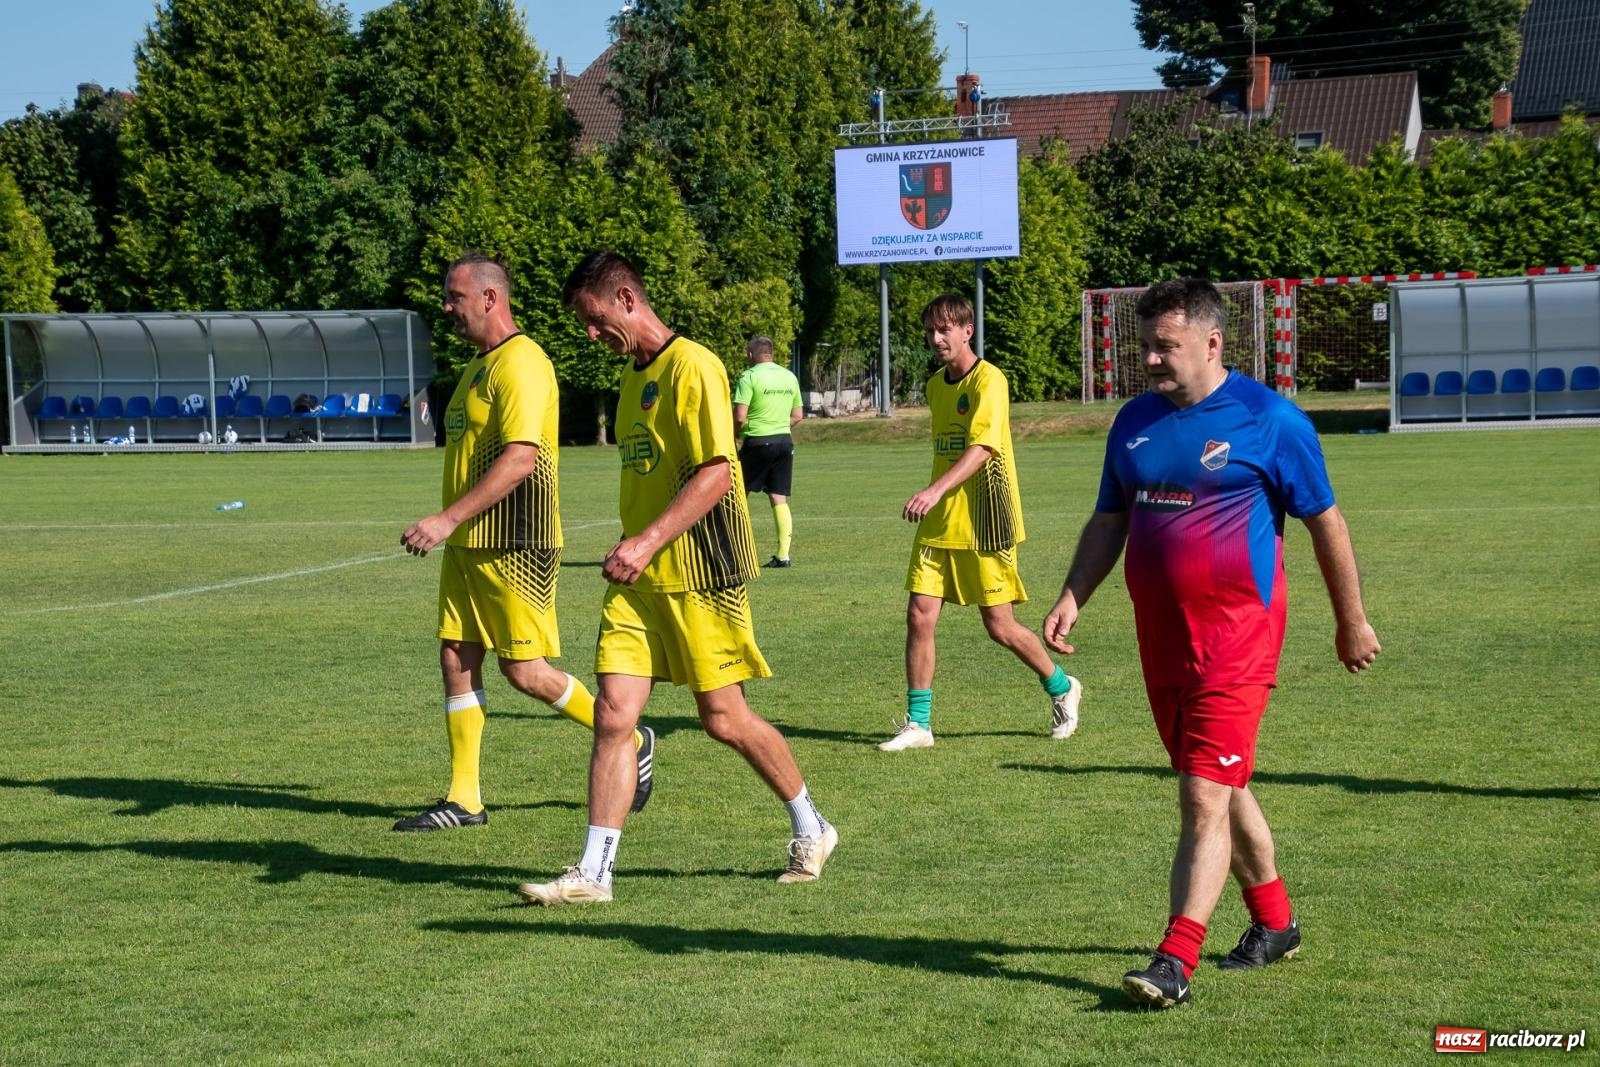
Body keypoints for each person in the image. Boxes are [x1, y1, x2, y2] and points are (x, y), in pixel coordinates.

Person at [1042, 278, 1381, 1009]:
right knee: (1222, 783)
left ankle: (1175, 958)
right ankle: (1277, 922)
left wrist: (1351, 619)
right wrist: (1073, 593)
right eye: (1144, 346)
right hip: (1162, 642)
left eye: (1164, 346)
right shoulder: (1133, 421)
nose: (1149, 360)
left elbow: (1325, 521)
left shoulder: (1271, 420)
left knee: (1201, 794)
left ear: (1212, 343)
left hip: (1238, 638)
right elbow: (1110, 519)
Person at [517, 250, 837, 905]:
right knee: (613, 716)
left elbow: (717, 473)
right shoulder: (632, 378)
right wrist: (637, 548)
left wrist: (646, 540)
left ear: (626, 298)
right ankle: (595, 873)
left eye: (594, 317)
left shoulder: (694, 366)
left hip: (701, 572)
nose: (590, 333)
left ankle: (812, 824)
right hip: (639, 582)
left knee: (724, 718)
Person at [395, 252, 654, 832]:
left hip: (516, 540)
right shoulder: (477, 368)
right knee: (456, 656)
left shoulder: (523, 362)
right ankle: (464, 799)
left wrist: (445, 519)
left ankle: (633, 737)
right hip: (470, 543)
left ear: (490, 298)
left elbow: (520, 459)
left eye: (455, 297)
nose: (447, 307)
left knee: (526, 671)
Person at [878, 293, 1083, 753]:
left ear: (967, 330)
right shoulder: (936, 386)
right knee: (919, 616)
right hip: (940, 521)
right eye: (930, 331)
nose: (936, 338)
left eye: (945, 329)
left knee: (1000, 626)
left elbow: (983, 449)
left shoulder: (990, 380)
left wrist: (933, 490)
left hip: (986, 520)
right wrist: (937, 497)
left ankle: (1062, 686)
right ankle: (919, 724)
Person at [732, 335, 803, 568]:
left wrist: (734, 435)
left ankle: (736, 553)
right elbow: (798, 415)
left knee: (737, 494)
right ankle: (783, 555)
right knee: (778, 497)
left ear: (750, 355)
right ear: (771, 354)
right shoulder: (789, 376)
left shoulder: (749, 377)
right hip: (784, 441)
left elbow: (739, 417)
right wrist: (777, 425)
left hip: (757, 441)